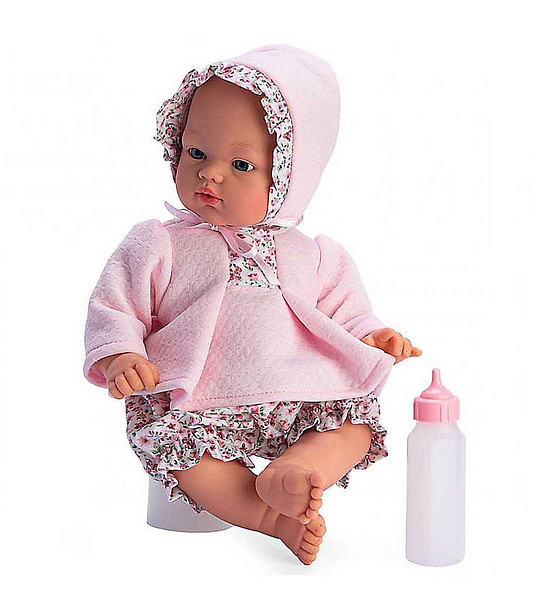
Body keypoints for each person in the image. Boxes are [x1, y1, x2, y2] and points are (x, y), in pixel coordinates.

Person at [83, 44, 421, 566]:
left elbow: (345, 310)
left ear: (288, 176)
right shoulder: (160, 242)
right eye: (196, 153)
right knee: (178, 453)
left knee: (355, 424)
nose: (210, 174)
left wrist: (371, 335)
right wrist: (121, 355)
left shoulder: (311, 253)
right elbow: (115, 304)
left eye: (240, 164)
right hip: (197, 400)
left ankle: (300, 467)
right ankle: (267, 515)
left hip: (297, 391)